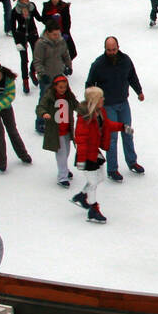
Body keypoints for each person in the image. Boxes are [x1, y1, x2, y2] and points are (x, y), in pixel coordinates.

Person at [85, 37, 145, 178]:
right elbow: (89, 84)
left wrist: (139, 91)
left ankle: (132, 162)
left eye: (114, 49)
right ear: (105, 49)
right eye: (108, 50)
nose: (111, 52)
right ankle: (112, 169)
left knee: (128, 132)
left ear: (118, 47)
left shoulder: (125, 60)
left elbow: (132, 77)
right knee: (111, 137)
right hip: (107, 106)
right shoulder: (98, 64)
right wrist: (93, 102)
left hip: (123, 103)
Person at [70, 86, 126, 224]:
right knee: (94, 182)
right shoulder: (85, 118)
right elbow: (81, 139)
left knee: (99, 178)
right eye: (101, 97)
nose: (103, 99)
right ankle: (93, 209)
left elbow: (107, 125)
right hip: (87, 155)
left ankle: (82, 196)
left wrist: (122, 127)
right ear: (95, 100)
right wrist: (82, 160)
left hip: (94, 152)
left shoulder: (100, 112)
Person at [36, 74, 78, 188]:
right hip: (56, 131)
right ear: (55, 86)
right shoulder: (49, 96)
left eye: (64, 87)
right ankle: (62, 177)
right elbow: (40, 107)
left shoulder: (68, 96)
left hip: (67, 130)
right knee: (61, 153)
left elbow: (76, 105)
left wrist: (84, 111)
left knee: (67, 151)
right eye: (60, 87)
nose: (62, 89)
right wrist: (44, 114)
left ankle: (64, 169)